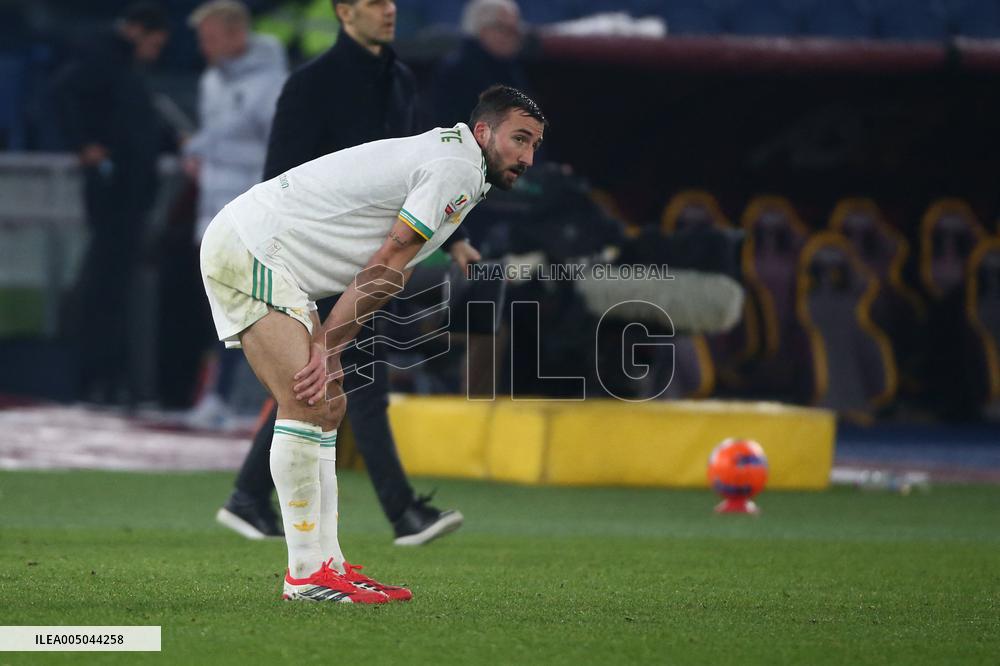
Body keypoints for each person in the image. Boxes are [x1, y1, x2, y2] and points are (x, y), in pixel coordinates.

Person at [199, 85, 546, 601]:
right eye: (519, 139)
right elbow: (388, 262)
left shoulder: (459, 165)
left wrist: (329, 342)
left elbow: (391, 270)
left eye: (535, 145)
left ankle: (327, 564)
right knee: (307, 398)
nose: (528, 156)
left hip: (276, 258)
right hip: (253, 248)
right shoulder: (455, 166)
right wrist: (330, 346)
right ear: (482, 132)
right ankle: (305, 575)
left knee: (329, 403)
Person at [216, 0, 480, 546]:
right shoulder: (310, 84)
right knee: (348, 381)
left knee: (327, 382)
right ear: (342, 12)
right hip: (312, 250)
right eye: (372, 3)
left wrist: (456, 238)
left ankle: (249, 498)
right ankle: (400, 513)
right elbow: (277, 178)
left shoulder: (402, 79)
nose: (388, 11)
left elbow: (421, 175)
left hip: (370, 254)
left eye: (391, 2)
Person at [51, 2, 170, 405]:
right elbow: (61, 94)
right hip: (116, 193)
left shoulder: (120, 64)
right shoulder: (104, 58)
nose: (155, 53)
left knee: (112, 285)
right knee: (106, 286)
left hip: (128, 192)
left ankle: (107, 379)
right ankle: (97, 379)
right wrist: (83, 146)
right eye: (153, 43)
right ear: (137, 31)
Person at [182, 0, 288, 429]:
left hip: (251, 218)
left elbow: (278, 152)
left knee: (252, 309)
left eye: (210, 37)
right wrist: (197, 155)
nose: (203, 47)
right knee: (224, 309)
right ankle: (220, 396)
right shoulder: (212, 82)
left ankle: (244, 401)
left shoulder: (273, 84)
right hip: (211, 215)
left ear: (235, 35)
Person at [430, 0, 529, 128]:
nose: (512, 37)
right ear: (480, 29)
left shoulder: (510, 67)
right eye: (503, 28)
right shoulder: (458, 72)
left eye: (515, 30)